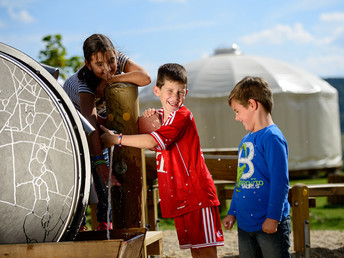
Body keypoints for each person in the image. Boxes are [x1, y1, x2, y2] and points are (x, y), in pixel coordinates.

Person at [100, 63, 224, 257]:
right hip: (182, 197)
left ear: (186, 92)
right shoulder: (161, 118)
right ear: (157, 91)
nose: (175, 97)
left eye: (180, 92)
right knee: (196, 252)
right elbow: (149, 139)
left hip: (197, 196)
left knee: (206, 252)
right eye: (169, 91)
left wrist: (117, 139)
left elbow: (154, 141)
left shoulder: (183, 116)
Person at [63, 34, 151, 230]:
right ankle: (81, 225)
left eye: (110, 60)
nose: (107, 68)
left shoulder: (117, 62)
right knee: (92, 173)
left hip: (101, 123)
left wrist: (111, 80)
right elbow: (90, 125)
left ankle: (109, 223)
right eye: (99, 65)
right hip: (74, 127)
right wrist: (99, 162)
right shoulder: (84, 84)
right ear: (88, 64)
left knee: (115, 173)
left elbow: (145, 77)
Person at [222, 76, 291, 258]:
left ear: (252, 105)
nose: (237, 118)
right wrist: (233, 212)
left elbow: (280, 182)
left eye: (237, 111)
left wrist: (273, 218)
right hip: (245, 225)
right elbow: (241, 180)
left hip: (269, 224)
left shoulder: (272, 138)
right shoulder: (245, 141)